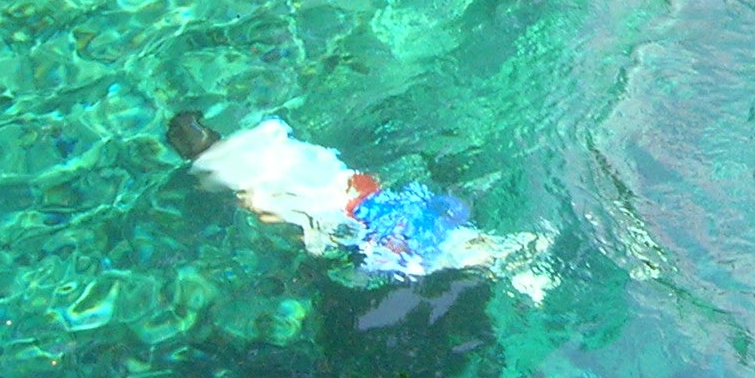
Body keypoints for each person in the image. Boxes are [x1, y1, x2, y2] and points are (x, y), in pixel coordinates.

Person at [166, 111, 553, 297]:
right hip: (358, 186)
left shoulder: (242, 184)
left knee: (420, 255)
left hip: (352, 214)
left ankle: (510, 264)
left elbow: (275, 212)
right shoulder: (264, 137)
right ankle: (503, 250)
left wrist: (312, 242)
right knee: (427, 228)